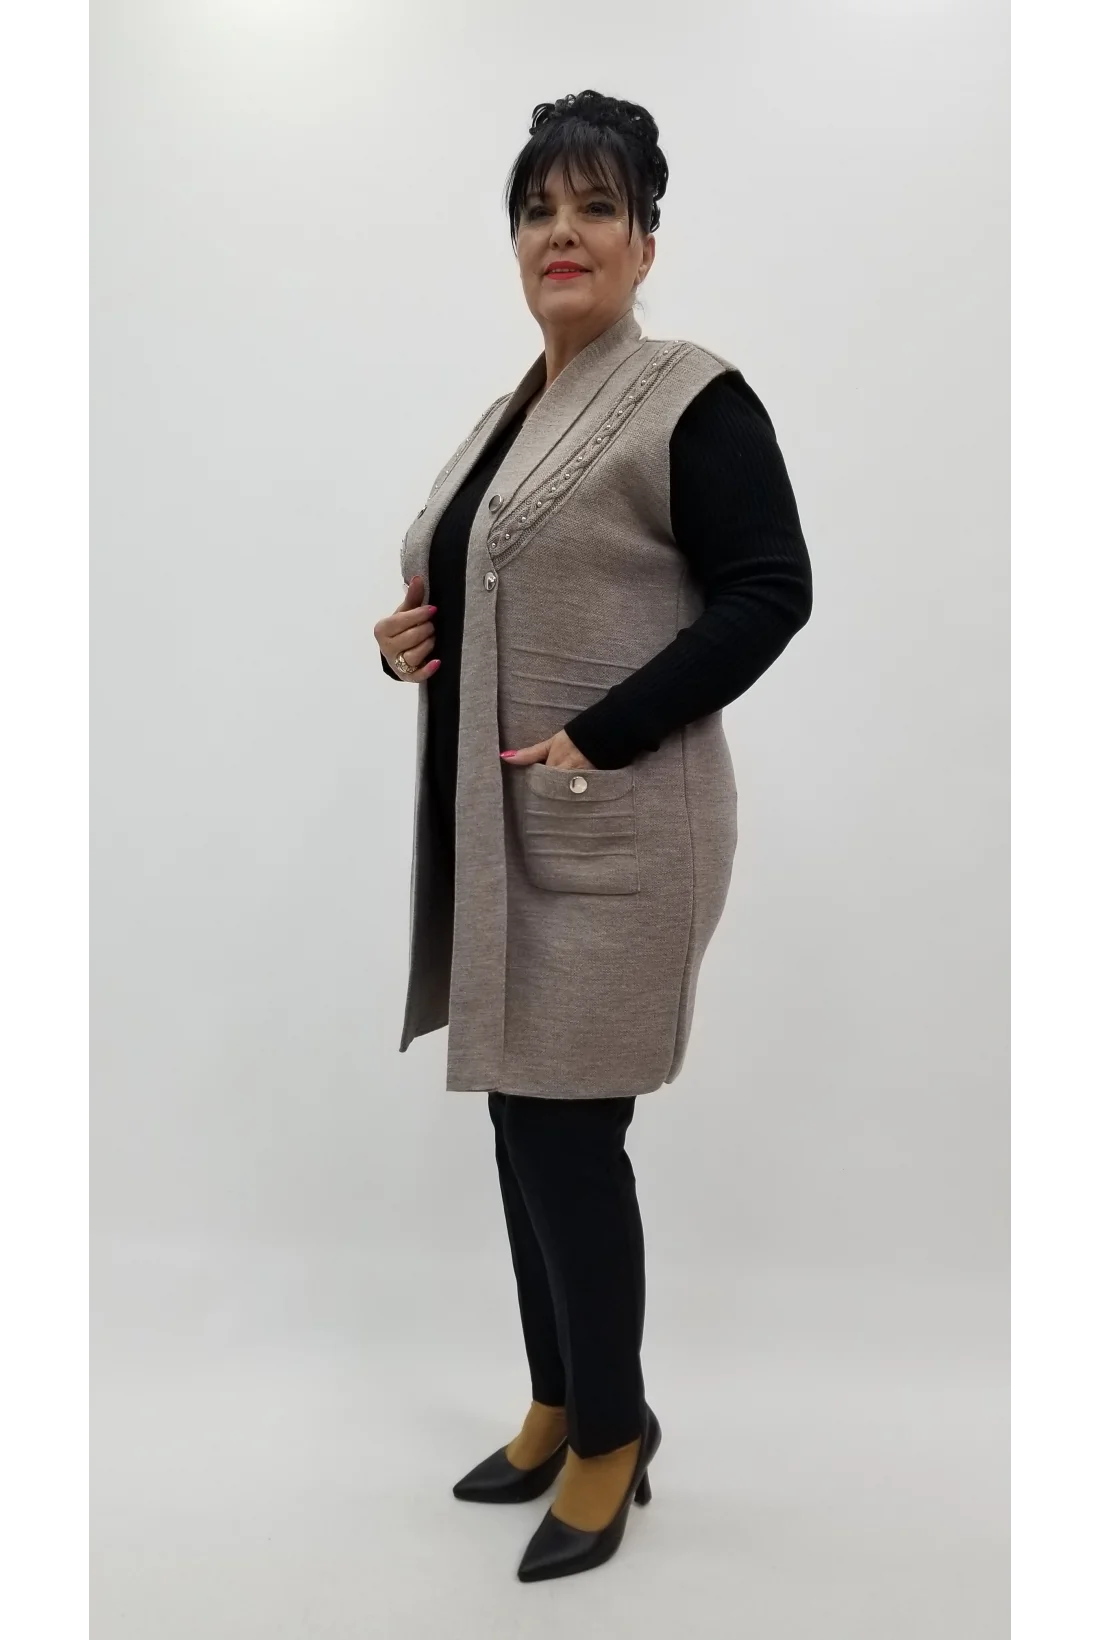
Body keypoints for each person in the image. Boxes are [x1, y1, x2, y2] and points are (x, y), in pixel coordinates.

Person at [374, 90, 813, 1583]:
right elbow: (479, 583)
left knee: (567, 1133)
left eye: (597, 209)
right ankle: (560, 1399)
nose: (563, 233)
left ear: (645, 243)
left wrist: (604, 730)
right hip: (506, 827)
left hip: (618, 828)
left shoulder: (692, 397)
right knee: (521, 1123)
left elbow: (771, 590)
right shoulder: (513, 415)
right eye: (538, 211)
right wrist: (409, 640)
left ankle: (615, 1435)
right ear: (516, 242)